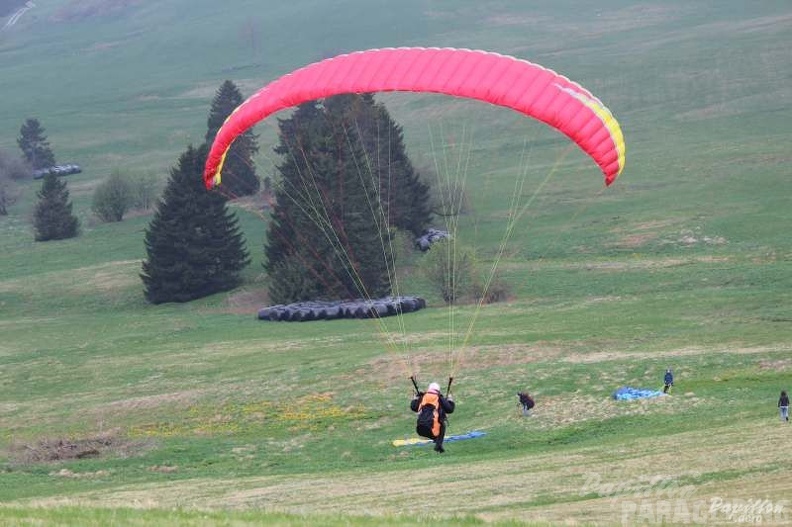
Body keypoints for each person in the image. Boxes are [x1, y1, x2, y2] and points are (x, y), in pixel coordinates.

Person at [411, 382, 455, 453]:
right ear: (438, 390)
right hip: (432, 430)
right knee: (442, 425)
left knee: (438, 422)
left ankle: (437, 441)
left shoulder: (423, 397)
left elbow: (413, 407)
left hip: (420, 429)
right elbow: (450, 409)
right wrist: (450, 399)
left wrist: (415, 398)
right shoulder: (439, 398)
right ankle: (438, 445)